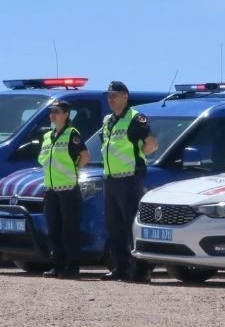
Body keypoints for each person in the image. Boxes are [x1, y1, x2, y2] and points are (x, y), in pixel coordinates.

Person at [100, 81, 158, 283]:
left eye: (115, 95)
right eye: (108, 95)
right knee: (114, 226)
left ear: (125, 96)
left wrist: (137, 158)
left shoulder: (135, 118)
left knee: (132, 225)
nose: (110, 98)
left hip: (129, 178)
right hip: (111, 179)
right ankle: (121, 267)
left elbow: (152, 144)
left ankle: (141, 270)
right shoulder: (108, 120)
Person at [39, 99, 90, 279]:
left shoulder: (71, 134)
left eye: (57, 111)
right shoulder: (47, 136)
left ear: (66, 114)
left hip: (68, 188)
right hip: (51, 189)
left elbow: (84, 156)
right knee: (53, 229)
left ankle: (72, 267)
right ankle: (58, 265)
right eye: (51, 111)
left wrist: (74, 170)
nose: (53, 115)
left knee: (69, 230)